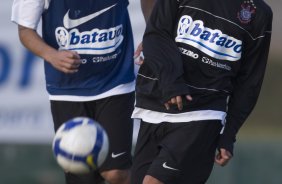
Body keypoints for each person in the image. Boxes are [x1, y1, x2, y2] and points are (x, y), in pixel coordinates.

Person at [11, 0, 155, 184]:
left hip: (115, 82)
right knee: (82, 177)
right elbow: (25, 31)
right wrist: (51, 55)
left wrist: (153, 33)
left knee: (117, 173)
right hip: (67, 90)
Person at [131, 0, 273, 183]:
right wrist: (170, 81)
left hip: (203, 112)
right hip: (154, 105)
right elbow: (156, 33)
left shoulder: (259, 13)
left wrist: (229, 133)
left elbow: (249, 83)